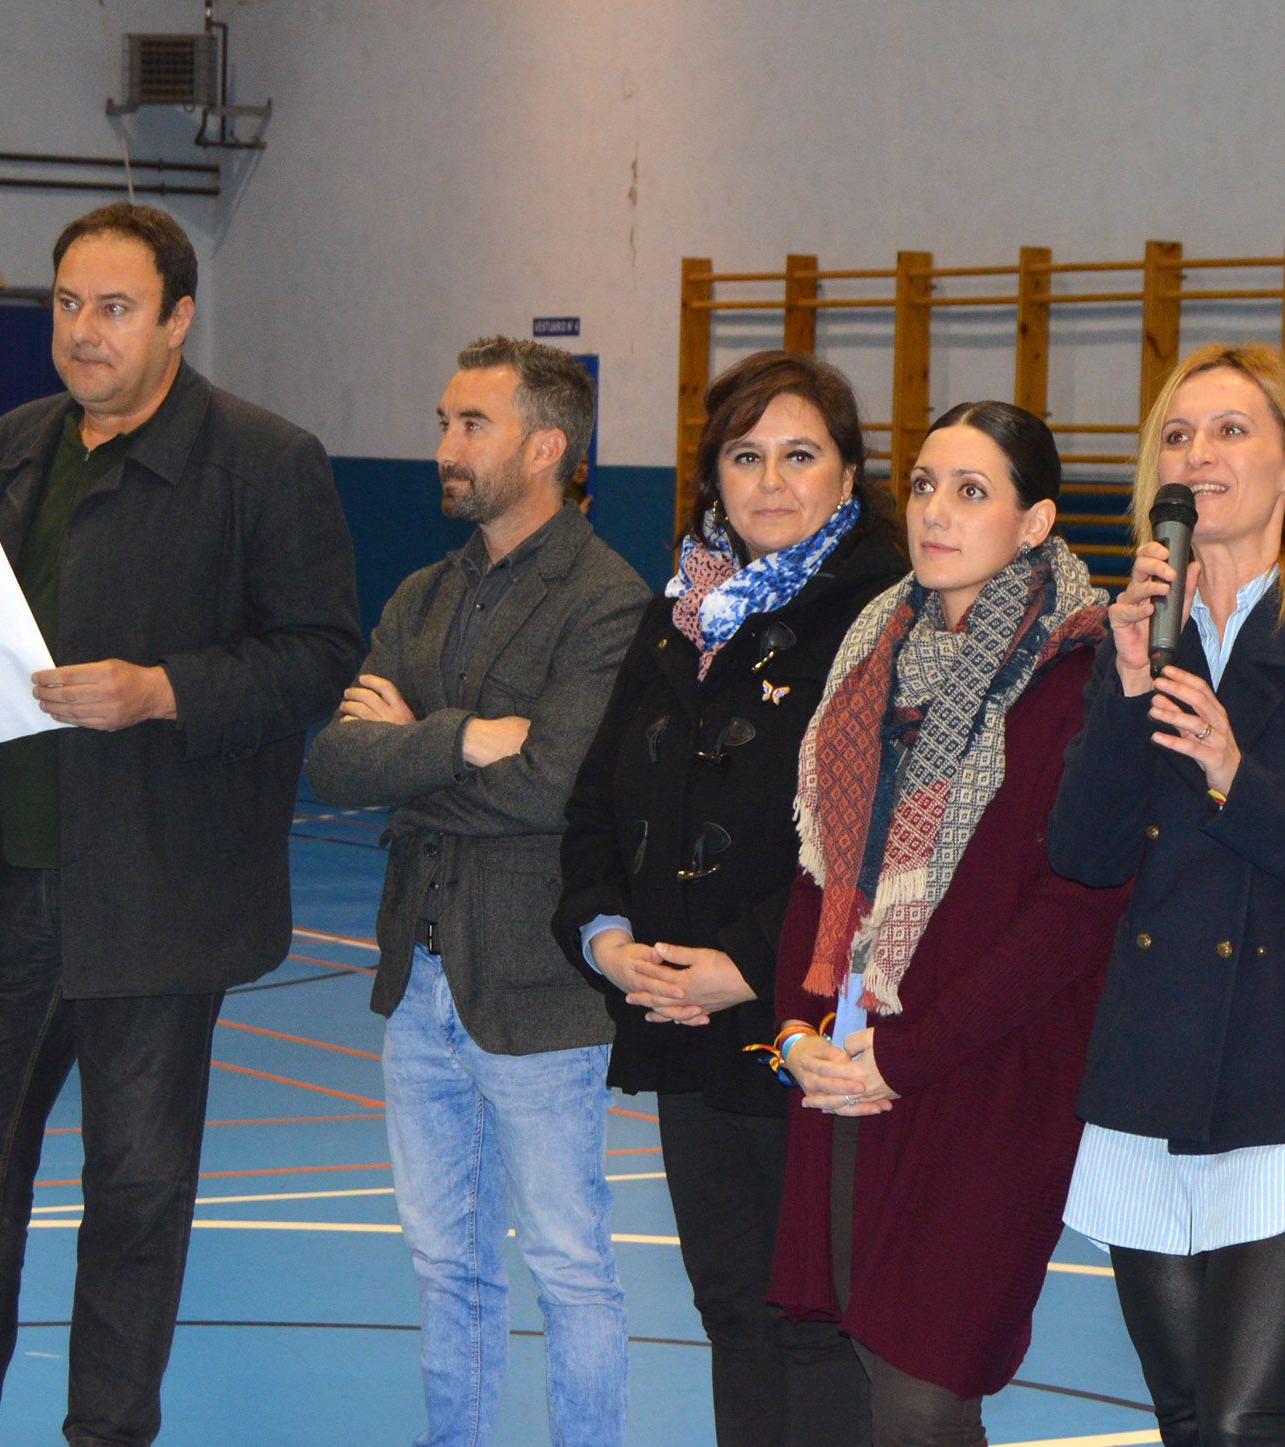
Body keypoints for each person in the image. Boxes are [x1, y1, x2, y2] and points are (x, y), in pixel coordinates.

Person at [0, 202, 364, 1447]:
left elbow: (318, 657)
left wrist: (166, 689)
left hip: (159, 900)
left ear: (178, 320)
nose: (84, 333)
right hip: (3, 888)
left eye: (115, 308)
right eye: (66, 305)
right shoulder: (9, 448)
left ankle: (105, 1436)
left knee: (134, 1196)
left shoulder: (265, 460)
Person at [1048, 342, 1285, 1447]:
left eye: (1229, 431)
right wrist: (1125, 693)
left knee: (1236, 1419)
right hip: (1147, 1083)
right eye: (1176, 434)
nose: (1197, 454)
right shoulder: (1132, 636)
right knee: (1183, 1417)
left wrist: (1235, 778)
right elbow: (1082, 853)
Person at [553, 350, 906, 1446]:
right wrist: (607, 939)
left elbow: (885, 840)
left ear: (847, 476)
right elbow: (597, 799)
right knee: (730, 1309)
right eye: (743, 456)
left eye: (799, 455)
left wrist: (748, 965)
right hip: (677, 1020)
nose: (768, 480)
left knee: (813, 1317)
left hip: (807, 1020)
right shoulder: (682, 613)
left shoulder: (884, 619)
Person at [305, 336, 648, 1447]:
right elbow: (334, 763)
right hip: (419, 979)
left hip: (538, 989)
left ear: (544, 447)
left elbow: (552, 788)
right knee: (444, 1263)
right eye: (443, 422)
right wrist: (464, 743)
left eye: (470, 426)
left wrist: (413, 751)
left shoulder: (605, 601)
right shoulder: (420, 594)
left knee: (568, 1266)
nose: (444, 447)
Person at [763, 401, 1128, 1445]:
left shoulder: (1078, 673)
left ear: (1033, 522)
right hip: (847, 1058)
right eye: (923, 485)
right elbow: (818, 869)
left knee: (924, 1381)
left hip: (991, 1073)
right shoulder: (869, 655)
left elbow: (1070, 913)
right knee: (869, 1362)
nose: (935, 511)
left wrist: (906, 1054)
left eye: (971, 491)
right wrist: (796, 1029)